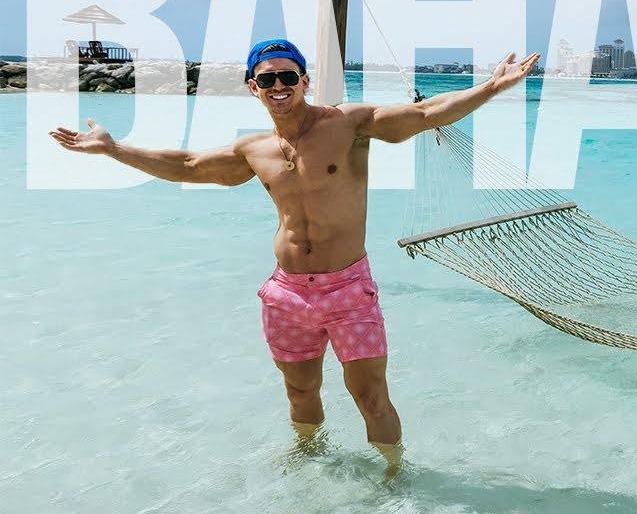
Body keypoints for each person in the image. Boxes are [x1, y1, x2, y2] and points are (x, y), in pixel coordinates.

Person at [50, 38, 541, 472]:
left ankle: (395, 477)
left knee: (370, 395)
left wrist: (491, 87)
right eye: (267, 79)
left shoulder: (349, 123)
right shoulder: (255, 149)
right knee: (300, 392)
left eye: (288, 76)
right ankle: (309, 466)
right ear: (253, 87)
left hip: (348, 289)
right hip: (286, 294)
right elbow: (189, 165)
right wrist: (114, 149)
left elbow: (426, 113)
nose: (279, 85)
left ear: (305, 80)